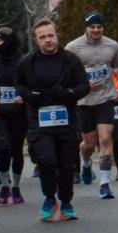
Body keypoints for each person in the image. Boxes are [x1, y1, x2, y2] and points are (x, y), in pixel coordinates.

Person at [17, 17, 90, 222]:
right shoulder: (27, 63)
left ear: (57, 36)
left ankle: (66, 201)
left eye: (51, 35)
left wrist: (68, 92)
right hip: (39, 121)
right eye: (43, 37)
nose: (48, 40)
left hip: (65, 120)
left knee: (67, 164)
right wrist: (29, 95)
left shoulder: (71, 60)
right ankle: (49, 198)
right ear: (36, 40)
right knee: (46, 160)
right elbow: (19, 86)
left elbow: (84, 86)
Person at [64, 10, 118, 200]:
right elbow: (64, 71)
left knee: (106, 139)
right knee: (89, 143)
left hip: (106, 98)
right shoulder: (73, 47)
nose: (96, 30)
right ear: (86, 28)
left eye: (99, 27)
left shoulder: (112, 45)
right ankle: (85, 162)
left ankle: (104, 183)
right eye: (92, 27)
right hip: (84, 101)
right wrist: (80, 84)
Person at [0, 26, 28, 206]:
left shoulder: (24, 61)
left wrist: (24, 96)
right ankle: (4, 184)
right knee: (2, 146)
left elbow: (32, 83)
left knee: (16, 149)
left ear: (10, 43)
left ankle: (16, 187)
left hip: (17, 111)